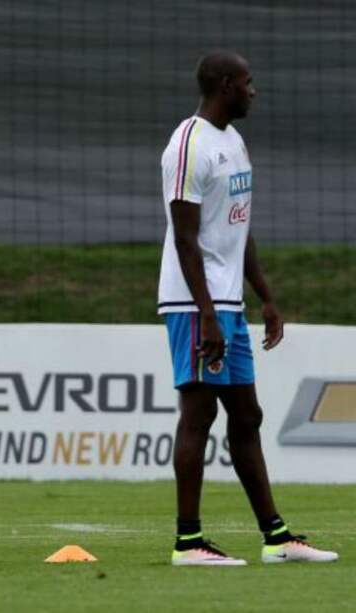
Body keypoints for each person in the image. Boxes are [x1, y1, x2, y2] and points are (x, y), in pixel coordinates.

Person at [158, 51, 337, 566]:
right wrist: (207, 312)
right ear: (223, 85)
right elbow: (186, 238)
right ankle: (188, 542)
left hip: (228, 302)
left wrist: (266, 295)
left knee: (247, 413)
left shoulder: (232, 142)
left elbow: (237, 226)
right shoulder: (188, 145)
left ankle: (277, 538)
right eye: (246, 83)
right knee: (199, 413)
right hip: (195, 304)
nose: (253, 91)